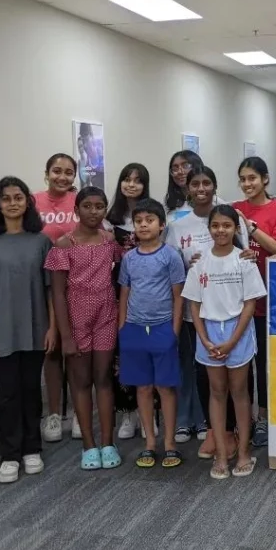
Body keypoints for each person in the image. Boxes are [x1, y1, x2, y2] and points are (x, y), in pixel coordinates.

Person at [0, 177, 57, 484]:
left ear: (27, 202)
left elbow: (50, 292)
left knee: (32, 391)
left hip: (36, 329)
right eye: (5, 198)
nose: (12, 203)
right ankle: (9, 454)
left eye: (18, 197)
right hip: (2, 331)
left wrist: (53, 328)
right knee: (7, 394)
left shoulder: (41, 242)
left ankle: (32, 447)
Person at [164, 166, 251, 451]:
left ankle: (234, 431)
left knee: (237, 377)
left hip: (232, 311)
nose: (201, 188)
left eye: (207, 183)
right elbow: (172, 265)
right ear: (187, 188)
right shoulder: (177, 225)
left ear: (215, 186)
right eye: (195, 184)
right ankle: (215, 431)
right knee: (205, 373)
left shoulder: (231, 216)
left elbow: (244, 251)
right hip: (198, 311)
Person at [183, 205, 266, 479]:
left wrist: (231, 342)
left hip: (237, 334)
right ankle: (221, 454)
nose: (221, 230)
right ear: (209, 229)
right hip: (208, 334)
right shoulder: (200, 262)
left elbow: (250, 305)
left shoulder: (244, 260)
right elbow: (194, 305)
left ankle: (243, 452)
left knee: (240, 393)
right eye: (216, 225)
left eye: (227, 225)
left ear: (235, 229)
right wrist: (205, 339)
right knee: (217, 394)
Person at [46, 187, 122, 471]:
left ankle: (107, 441)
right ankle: (88, 444)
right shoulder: (63, 245)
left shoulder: (110, 242)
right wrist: (65, 335)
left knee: (103, 379)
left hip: (105, 315)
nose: (94, 211)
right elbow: (56, 294)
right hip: (75, 320)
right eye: (87, 206)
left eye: (99, 206)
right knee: (81, 382)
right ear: (76, 210)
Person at [117, 198, 187, 469]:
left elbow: (178, 295)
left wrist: (174, 330)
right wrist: (123, 327)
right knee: (143, 387)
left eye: (149, 220)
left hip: (162, 328)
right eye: (139, 221)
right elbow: (125, 292)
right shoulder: (129, 258)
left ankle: (170, 443)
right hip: (133, 329)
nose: (144, 225)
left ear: (161, 225)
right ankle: (149, 443)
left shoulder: (170, 255)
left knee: (165, 388)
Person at [234, 156, 276, 447]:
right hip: (238, 301)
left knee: (266, 365)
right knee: (241, 364)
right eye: (243, 179)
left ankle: (264, 417)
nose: (247, 184)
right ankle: (243, 419)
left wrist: (252, 228)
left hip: (271, 300)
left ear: (265, 179)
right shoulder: (234, 209)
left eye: (252, 178)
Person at [35, 153, 79, 444]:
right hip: (40, 283)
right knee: (51, 350)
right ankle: (53, 413)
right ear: (47, 172)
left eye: (68, 172)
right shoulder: (32, 201)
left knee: (75, 351)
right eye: (56, 171)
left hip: (77, 283)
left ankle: (78, 411)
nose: (62, 177)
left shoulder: (80, 201)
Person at [107, 163, 151, 440]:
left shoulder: (152, 216)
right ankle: (127, 412)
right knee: (121, 356)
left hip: (149, 296)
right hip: (117, 293)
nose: (131, 184)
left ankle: (150, 414)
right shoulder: (109, 219)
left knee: (148, 355)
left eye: (137, 180)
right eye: (126, 179)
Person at [165, 150, 204, 223]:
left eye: (185, 166)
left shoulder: (213, 201)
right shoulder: (169, 204)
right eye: (175, 168)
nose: (180, 172)